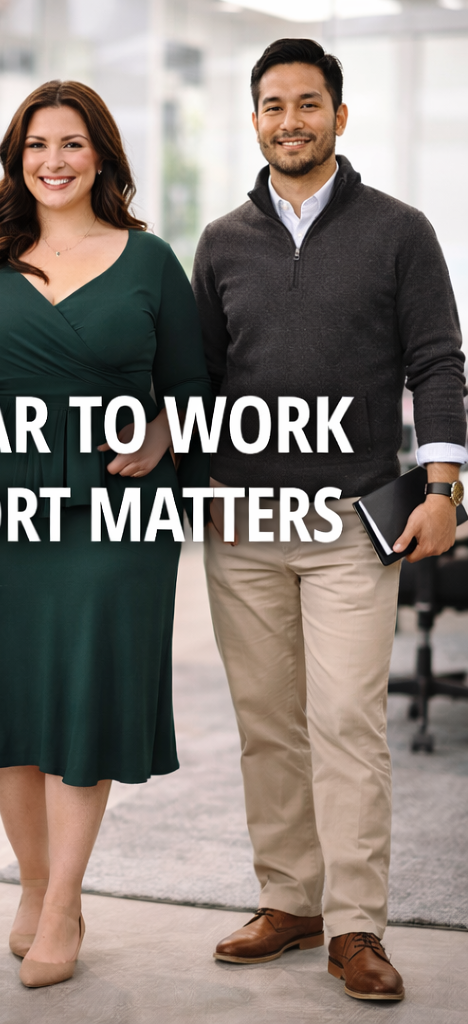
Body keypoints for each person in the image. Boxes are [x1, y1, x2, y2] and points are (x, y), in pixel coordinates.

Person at [193, 38, 466, 1003]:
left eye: (309, 104)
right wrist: (202, 481)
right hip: (245, 521)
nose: (291, 121)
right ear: (255, 119)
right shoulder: (223, 240)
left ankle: (357, 925)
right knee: (268, 725)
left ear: (340, 118)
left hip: (357, 519)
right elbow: (205, 379)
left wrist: (444, 488)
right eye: (273, 105)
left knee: (346, 722)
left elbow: (437, 361)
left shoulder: (400, 230)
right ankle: (291, 900)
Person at [0, 80, 211, 989]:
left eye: (73, 144)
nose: (54, 160)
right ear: (17, 158)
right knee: (9, 704)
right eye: (37, 144)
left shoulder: (150, 259)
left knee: (84, 696)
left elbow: (195, 391)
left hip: (115, 515)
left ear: (103, 158)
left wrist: (164, 432)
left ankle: (61, 906)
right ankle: (41, 882)